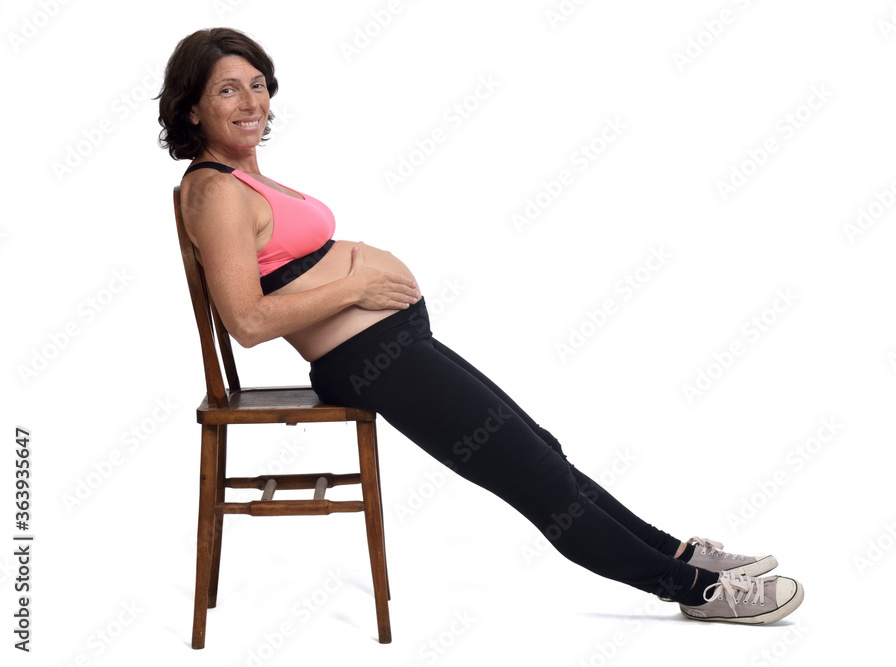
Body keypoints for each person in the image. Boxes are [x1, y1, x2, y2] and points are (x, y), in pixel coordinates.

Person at [158, 27, 804, 625]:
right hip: (369, 361)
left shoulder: (244, 176)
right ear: (191, 108)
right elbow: (246, 321)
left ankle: (679, 553)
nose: (251, 101)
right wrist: (357, 286)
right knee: (536, 479)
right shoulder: (215, 191)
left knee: (542, 452)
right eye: (227, 90)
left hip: (391, 347)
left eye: (258, 84)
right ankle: (693, 591)